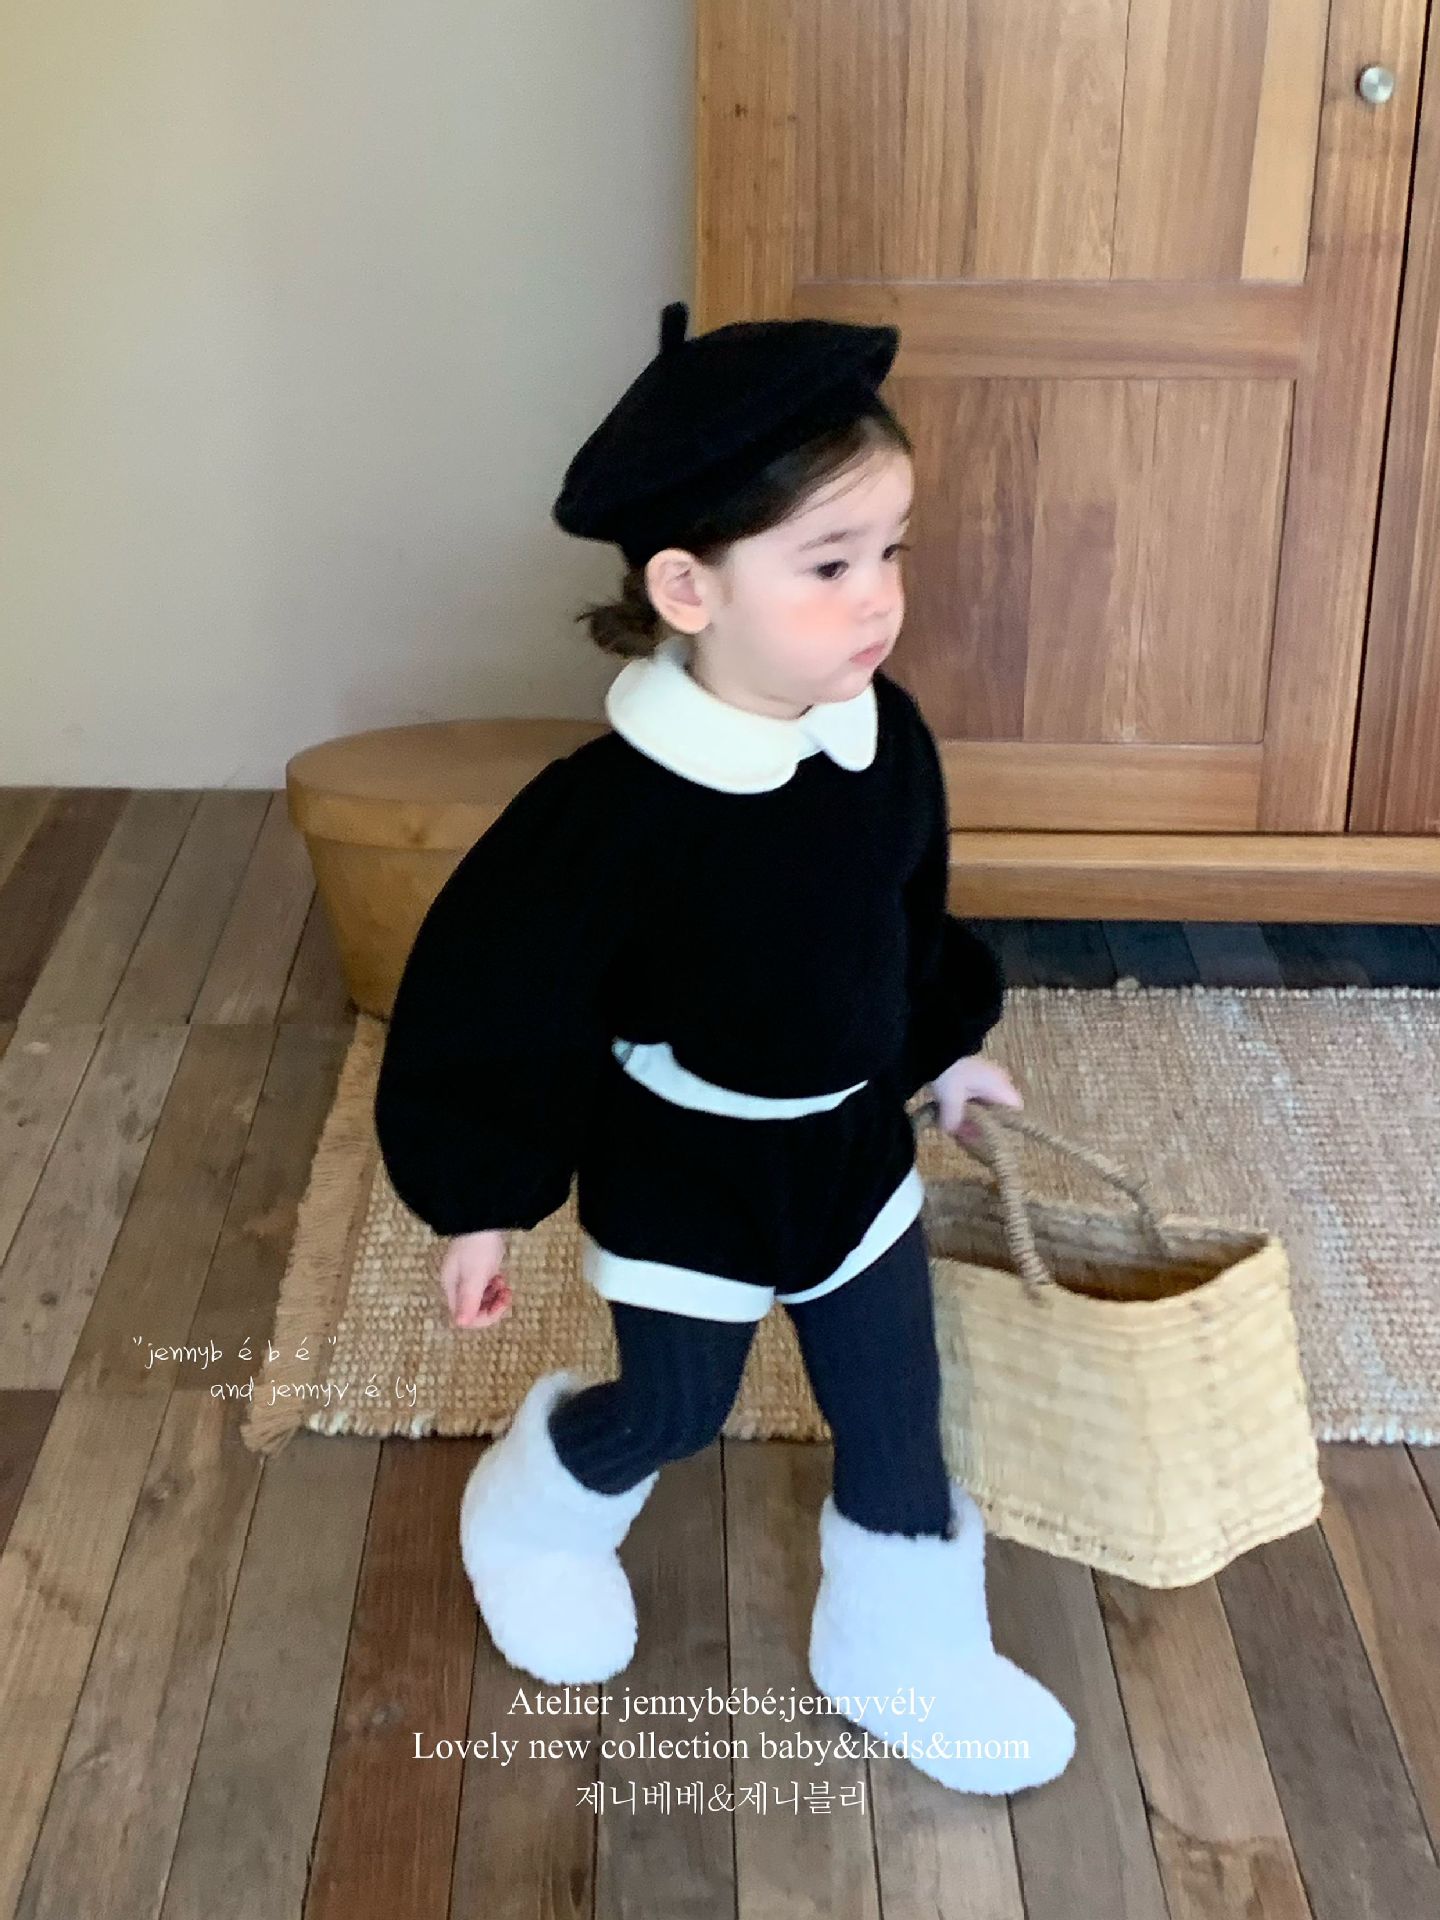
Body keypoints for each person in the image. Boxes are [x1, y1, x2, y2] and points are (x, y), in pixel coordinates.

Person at [373, 302, 1076, 1795]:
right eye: (830, 565)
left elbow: (907, 916)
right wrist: (481, 1198)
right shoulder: (610, 816)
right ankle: (537, 1515)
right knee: (676, 1407)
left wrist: (944, 1049)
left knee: (897, 1409)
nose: (879, 600)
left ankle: (903, 1644)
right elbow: (500, 999)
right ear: (689, 589)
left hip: (849, 1155)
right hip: (687, 1171)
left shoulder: (883, 738)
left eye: (891, 552)